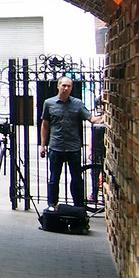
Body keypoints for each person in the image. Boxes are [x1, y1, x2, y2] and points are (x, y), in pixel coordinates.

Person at [40, 76, 104, 209]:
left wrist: (105, 116)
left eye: (68, 86)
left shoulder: (77, 104)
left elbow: (91, 119)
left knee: (76, 179)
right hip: (56, 146)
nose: (66, 88)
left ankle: (78, 207)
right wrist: (43, 145)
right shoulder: (49, 103)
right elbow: (45, 125)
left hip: (73, 148)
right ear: (58, 86)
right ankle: (52, 205)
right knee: (54, 179)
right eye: (63, 85)